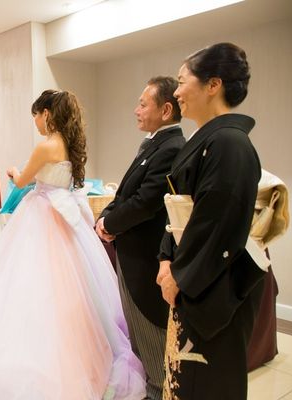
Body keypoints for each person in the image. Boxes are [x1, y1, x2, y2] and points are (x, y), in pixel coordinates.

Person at [0, 90, 146, 399]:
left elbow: (22, 181)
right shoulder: (70, 144)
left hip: (42, 215)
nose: (36, 122)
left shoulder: (46, 146)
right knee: (71, 285)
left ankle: (32, 357)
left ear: (47, 114)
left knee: (29, 284)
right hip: (64, 218)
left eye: (36, 116)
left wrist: (13, 171)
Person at [157, 42, 265, 399]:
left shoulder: (230, 144)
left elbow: (217, 226)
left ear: (213, 85)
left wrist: (179, 275)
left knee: (207, 382)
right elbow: (177, 208)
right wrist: (166, 258)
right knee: (183, 378)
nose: (177, 92)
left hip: (211, 282)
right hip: (191, 272)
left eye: (182, 81)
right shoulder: (209, 140)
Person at [95, 76, 185, 399]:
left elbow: (146, 202)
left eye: (143, 104)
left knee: (151, 338)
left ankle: (157, 391)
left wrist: (110, 223)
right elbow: (127, 192)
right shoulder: (154, 143)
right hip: (131, 254)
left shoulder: (172, 147)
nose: (136, 110)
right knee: (138, 336)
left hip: (145, 259)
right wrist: (107, 216)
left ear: (165, 110)